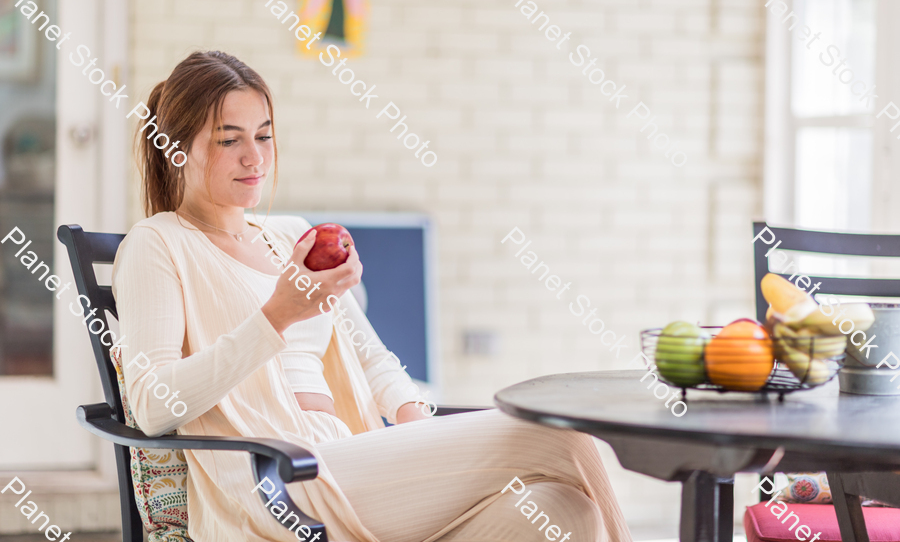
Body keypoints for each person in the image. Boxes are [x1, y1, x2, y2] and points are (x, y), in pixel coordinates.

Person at [113, 50, 632, 542]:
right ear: (176, 148)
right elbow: (155, 406)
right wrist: (277, 316)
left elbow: (373, 359)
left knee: (564, 511)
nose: (255, 157)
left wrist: (418, 429)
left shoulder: (290, 235)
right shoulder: (158, 244)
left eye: (265, 136)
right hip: (276, 484)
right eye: (229, 140)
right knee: (562, 438)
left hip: (350, 455)